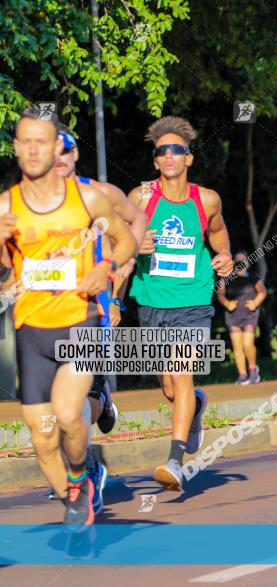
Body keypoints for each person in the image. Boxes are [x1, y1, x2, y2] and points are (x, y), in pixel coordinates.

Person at [0, 107, 136, 528]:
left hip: (80, 321)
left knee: (66, 412)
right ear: (17, 148)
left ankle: (80, 475)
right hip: (31, 331)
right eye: (27, 141)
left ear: (57, 146)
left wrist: (108, 267)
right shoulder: (6, 206)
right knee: (41, 436)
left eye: (44, 141)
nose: (35, 149)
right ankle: (74, 496)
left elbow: (126, 239)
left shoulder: (88, 198)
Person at [127, 116, 234, 491]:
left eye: (177, 150)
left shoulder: (206, 199)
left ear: (189, 158)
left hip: (193, 298)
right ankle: (197, 406)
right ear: (156, 161)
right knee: (171, 389)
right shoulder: (140, 197)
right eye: (162, 151)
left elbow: (219, 234)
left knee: (182, 373)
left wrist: (225, 256)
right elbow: (120, 242)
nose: (169, 155)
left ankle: (174, 461)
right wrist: (134, 243)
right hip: (152, 299)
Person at [51, 125, 149, 510]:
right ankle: (103, 404)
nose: (55, 158)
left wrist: (122, 273)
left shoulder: (100, 193)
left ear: (75, 153)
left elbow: (137, 220)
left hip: (92, 310)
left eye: (64, 150)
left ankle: (87, 471)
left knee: (72, 407)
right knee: (54, 411)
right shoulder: (28, 201)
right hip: (45, 316)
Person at [217, 251, 266, 384]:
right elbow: (220, 294)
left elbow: (262, 292)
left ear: (247, 263)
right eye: (237, 261)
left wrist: (255, 303)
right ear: (232, 263)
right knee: (237, 347)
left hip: (250, 316)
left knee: (247, 344)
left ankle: (253, 370)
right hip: (233, 317)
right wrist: (227, 303)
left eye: (243, 261)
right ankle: (242, 375)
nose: (240, 264)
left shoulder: (253, 277)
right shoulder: (227, 278)